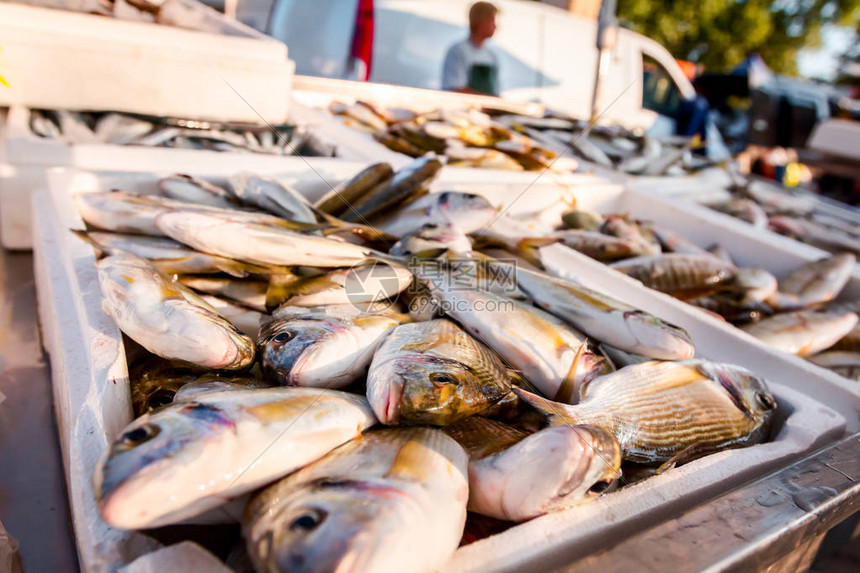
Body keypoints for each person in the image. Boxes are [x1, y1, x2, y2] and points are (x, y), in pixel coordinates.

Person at [441, 2, 499, 96]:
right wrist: (486, 100)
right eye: (491, 20)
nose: (495, 26)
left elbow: (495, 92)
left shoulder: (491, 56)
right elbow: (454, 89)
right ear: (479, 22)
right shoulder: (458, 51)